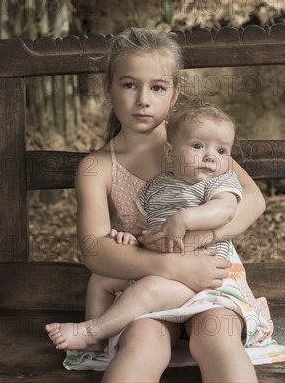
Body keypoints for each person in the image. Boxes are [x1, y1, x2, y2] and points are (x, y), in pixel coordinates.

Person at [45, 28, 285, 383]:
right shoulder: (97, 167)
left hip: (210, 278)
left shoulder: (195, 145)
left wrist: (203, 236)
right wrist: (174, 266)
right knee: (142, 342)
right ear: (108, 88)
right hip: (146, 287)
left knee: (218, 335)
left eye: (157, 88)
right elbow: (94, 250)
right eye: (130, 85)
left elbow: (253, 200)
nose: (143, 100)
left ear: (174, 93)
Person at [46, 101, 244, 352]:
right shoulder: (156, 186)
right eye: (197, 146)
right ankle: (97, 343)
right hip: (162, 269)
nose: (210, 157)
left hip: (204, 275)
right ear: (171, 153)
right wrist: (131, 239)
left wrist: (184, 219)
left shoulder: (219, 181)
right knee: (101, 279)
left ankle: (91, 331)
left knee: (147, 289)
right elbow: (142, 228)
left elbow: (225, 211)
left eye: (222, 151)